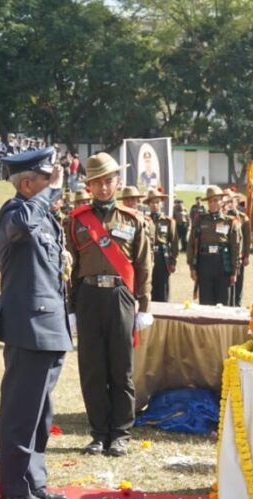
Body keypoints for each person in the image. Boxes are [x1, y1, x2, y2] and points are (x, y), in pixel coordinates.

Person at [0, 147, 72, 499]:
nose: (54, 184)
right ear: (27, 183)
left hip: (49, 322)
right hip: (28, 323)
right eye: (45, 179)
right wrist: (48, 194)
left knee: (41, 412)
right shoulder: (15, 210)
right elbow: (23, 224)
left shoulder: (40, 214)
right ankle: (13, 486)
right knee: (21, 410)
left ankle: (33, 481)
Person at [66, 153, 153, 458]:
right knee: (91, 369)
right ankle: (98, 433)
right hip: (89, 296)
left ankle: (120, 433)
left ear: (118, 182)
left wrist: (143, 306)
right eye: (96, 182)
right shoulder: (76, 221)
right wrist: (72, 308)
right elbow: (70, 268)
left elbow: (143, 266)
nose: (103, 187)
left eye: (108, 181)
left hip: (121, 297)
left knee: (121, 369)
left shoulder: (134, 220)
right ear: (88, 185)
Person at [188, 185, 242, 305]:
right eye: (210, 201)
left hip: (223, 263)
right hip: (205, 263)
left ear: (221, 201)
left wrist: (234, 270)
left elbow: (236, 247)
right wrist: (192, 267)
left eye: (216, 200)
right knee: (206, 301)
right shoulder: (200, 220)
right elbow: (191, 244)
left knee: (223, 301)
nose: (213, 204)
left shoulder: (230, 221)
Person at [145, 189, 177, 303]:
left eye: (157, 202)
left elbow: (174, 243)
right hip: (148, 257)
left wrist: (173, 261)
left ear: (162, 204)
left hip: (162, 258)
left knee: (163, 288)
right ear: (148, 204)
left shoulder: (168, 221)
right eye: (152, 202)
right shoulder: (144, 220)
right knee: (148, 286)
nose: (155, 205)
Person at [224, 189, 251, 306]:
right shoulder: (222, 218)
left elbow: (247, 238)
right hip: (224, 256)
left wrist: (246, 256)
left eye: (231, 201)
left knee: (238, 283)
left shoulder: (244, 218)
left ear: (236, 202)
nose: (229, 204)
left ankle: (237, 304)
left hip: (238, 256)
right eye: (226, 201)